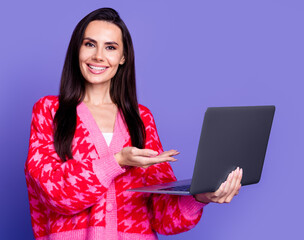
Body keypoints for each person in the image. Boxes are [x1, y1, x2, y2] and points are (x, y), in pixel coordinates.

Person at [25, 7, 242, 240]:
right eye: (89, 44)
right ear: (76, 50)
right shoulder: (49, 111)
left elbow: (162, 217)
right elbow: (55, 193)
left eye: (110, 47)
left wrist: (201, 197)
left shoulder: (140, 118)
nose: (98, 56)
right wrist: (118, 161)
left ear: (123, 57)